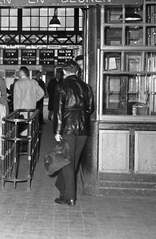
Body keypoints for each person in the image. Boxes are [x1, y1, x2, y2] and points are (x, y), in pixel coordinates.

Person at [53, 60, 94, 206]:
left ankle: (69, 197)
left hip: (67, 127)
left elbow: (59, 110)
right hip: (83, 127)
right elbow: (90, 108)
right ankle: (63, 188)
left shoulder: (62, 86)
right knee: (74, 160)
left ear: (64, 72)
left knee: (66, 160)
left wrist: (57, 130)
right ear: (77, 72)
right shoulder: (87, 87)